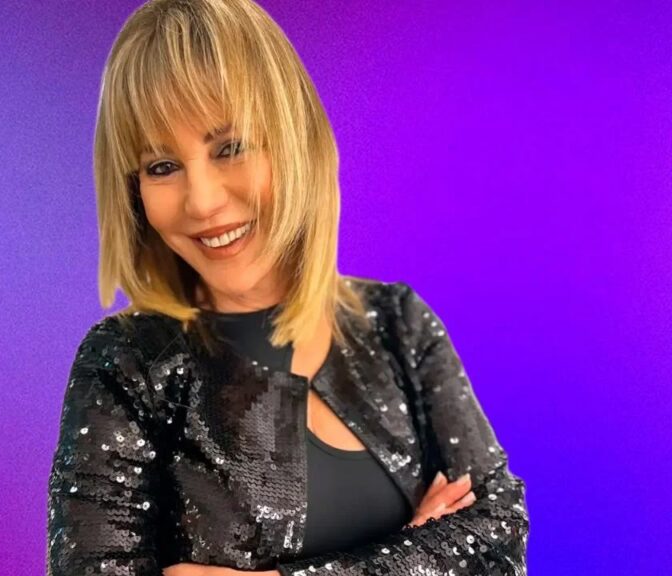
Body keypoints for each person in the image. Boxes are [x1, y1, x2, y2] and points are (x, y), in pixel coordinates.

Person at [46, 0, 529, 574]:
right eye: (162, 166)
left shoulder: (398, 324)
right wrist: (417, 554)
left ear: (294, 138)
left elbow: (498, 536)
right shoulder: (128, 364)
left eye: (229, 148)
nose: (202, 201)